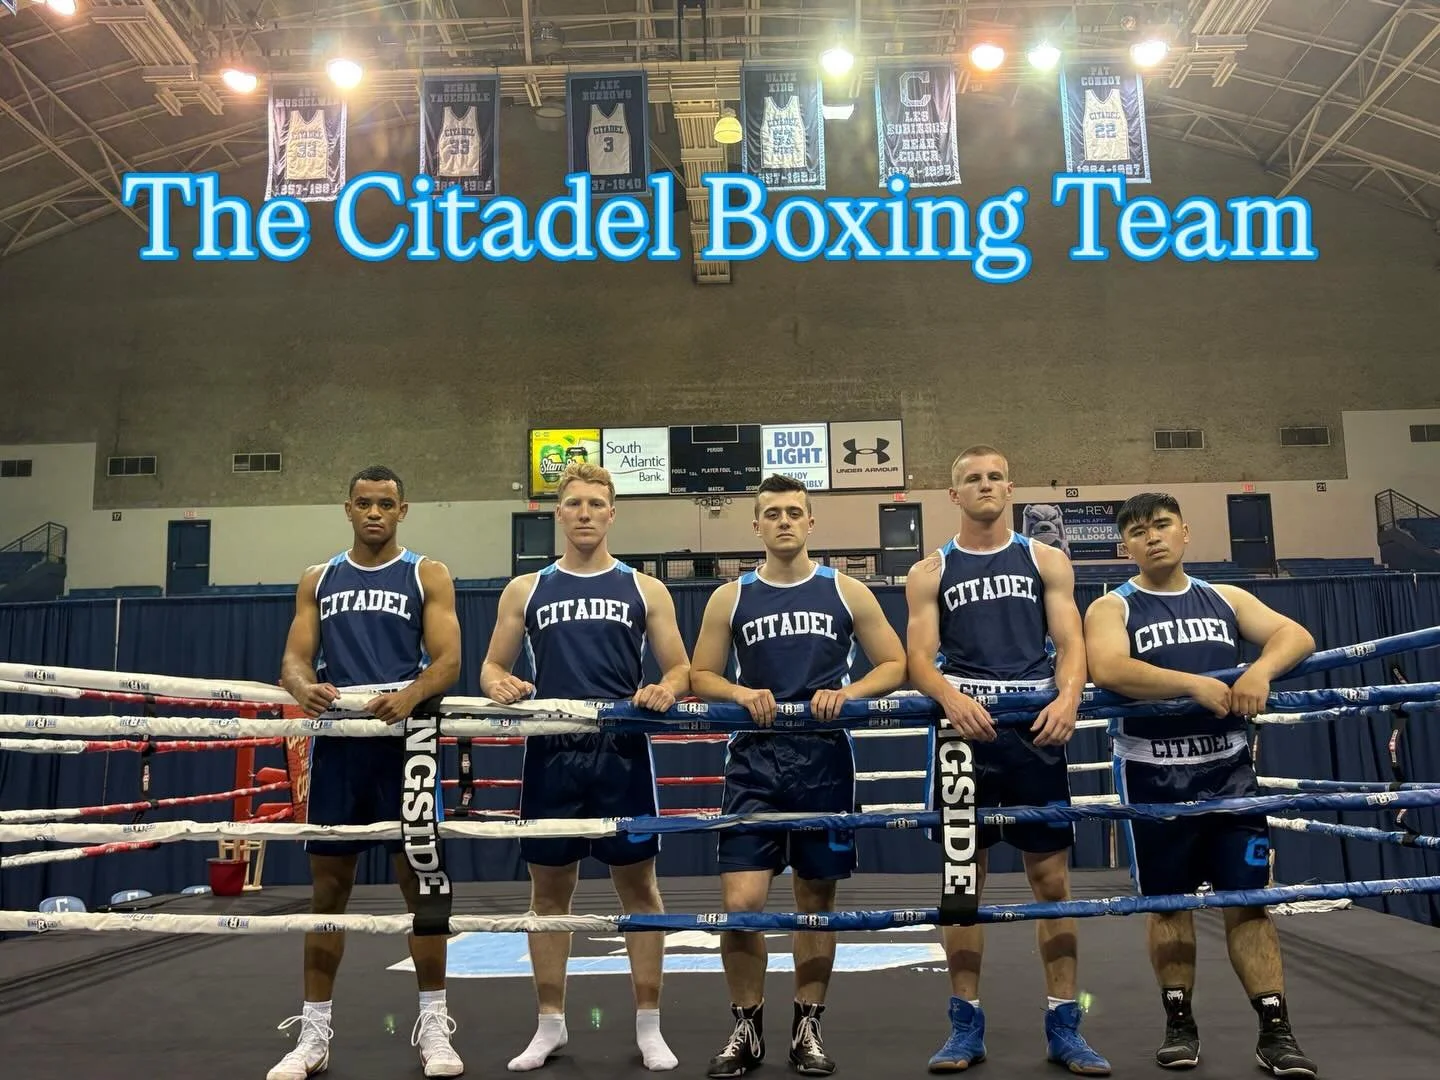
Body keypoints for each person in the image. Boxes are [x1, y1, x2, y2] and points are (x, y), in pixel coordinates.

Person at [1082, 492, 1318, 1077]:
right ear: (1124, 547)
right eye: (1138, 531)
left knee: (1251, 904)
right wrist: (1193, 684)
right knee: (1169, 908)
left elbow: (1296, 635)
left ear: (1185, 532)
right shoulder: (1112, 606)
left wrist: (1258, 670)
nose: (1152, 536)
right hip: (1154, 776)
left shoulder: (1226, 597)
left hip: (1229, 773)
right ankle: (1179, 1022)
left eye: (1161, 525)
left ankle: (1276, 1032)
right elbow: (1108, 668)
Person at [689, 473, 909, 1079]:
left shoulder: (846, 590)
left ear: (811, 523)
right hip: (755, 759)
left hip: (823, 758)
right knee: (743, 905)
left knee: (816, 901)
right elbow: (699, 675)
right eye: (772, 513)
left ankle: (807, 1027)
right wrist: (740, 690)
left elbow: (895, 663)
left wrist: (850, 691)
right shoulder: (730, 597)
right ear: (756, 526)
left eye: (794, 512)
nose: (784, 521)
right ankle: (745, 1028)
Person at [904, 445, 1110, 1075]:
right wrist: (947, 695)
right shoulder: (930, 571)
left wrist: (1070, 697)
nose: (985, 485)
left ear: (1010, 488)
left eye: (995, 476)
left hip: (1035, 733)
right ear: (954, 494)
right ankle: (964, 1025)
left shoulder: (1044, 558)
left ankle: (1064, 1024)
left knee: (1051, 879)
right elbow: (918, 659)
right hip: (963, 735)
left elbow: (1071, 643)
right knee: (963, 883)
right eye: (972, 478)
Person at [480, 460, 692, 1073]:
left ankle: (649, 1026)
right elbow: (492, 667)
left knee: (639, 888)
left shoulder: (644, 588)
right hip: (552, 752)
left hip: (622, 751)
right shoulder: (527, 589)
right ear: (558, 512)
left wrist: (665, 688)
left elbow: (679, 668)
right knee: (549, 893)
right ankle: (549, 1025)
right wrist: (500, 684)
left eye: (595, 504)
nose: (584, 514)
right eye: (573, 504)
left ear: (612, 513)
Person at [269, 464, 464, 1080]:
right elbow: (294, 661)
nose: (374, 512)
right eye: (364, 503)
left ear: (402, 510)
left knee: (422, 889)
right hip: (339, 748)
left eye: (385, 503)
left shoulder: (426, 573)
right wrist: (303, 688)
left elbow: (450, 660)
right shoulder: (318, 579)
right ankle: (313, 1033)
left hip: (406, 747)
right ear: (347, 508)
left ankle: (434, 1025)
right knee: (328, 891)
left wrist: (411, 694)